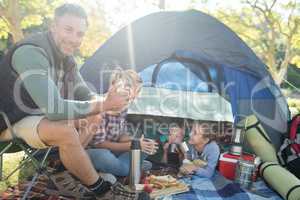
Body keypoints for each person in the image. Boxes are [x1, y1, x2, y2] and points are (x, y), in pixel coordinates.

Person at [0, 3, 128, 198]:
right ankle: (102, 191)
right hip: (9, 119)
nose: (74, 38)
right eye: (68, 30)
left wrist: (109, 101)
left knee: (95, 116)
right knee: (65, 131)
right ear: (53, 26)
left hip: (35, 116)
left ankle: (61, 171)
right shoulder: (31, 52)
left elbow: (86, 95)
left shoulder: (68, 60)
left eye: (80, 34)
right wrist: (104, 104)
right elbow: (55, 110)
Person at [87, 69, 158, 176]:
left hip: (113, 150)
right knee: (104, 157)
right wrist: (132, 146)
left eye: (138, 91)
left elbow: (120, 137)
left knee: (145, 146)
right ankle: (130, 167)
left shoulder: (124, 107)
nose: (135, 96)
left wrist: (136, 141)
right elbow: (99, 144)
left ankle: (126, 165)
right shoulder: (101, 105)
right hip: (94, 151)